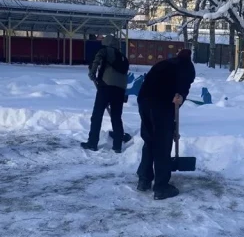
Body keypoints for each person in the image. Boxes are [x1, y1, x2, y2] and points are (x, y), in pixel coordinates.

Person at [136, 49, 196, 200]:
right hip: (161, 103)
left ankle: (144, 180)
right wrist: (181, 95)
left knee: (150, 140)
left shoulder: (164, 63)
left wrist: (172, 123)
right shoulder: (187, 67)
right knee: (162, 144)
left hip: (144, 101)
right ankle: (161, 187)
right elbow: (183, 87)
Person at [82, 35, 129, 152]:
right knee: (116, 117)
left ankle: (92, 143)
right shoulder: (123, 57)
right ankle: (117, 146)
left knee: (97, 115)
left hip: (105, 87)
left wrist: (92, 72)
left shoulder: (105, 51)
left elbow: (97, 60)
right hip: (120, 90)